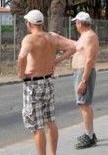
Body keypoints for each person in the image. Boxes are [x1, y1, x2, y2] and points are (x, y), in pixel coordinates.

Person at [17, 9, 76, 155]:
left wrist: (21, 74)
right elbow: (73, 47)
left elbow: (21, 57)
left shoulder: (29, 39)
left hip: (33, 83)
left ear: (29, 24)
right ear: (42, 23)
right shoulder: (52, 37)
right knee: (51, 120)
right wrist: (56, 61)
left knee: (38, 126)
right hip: (48, 82)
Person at [56, 11, 99, 149]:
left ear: (80, 23)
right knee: (84, 104)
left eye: (76, 22)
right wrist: (56, 61)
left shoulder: (90, 37)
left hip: (83, 73)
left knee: (84, 104)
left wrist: (84, 80)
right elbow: (72, 50)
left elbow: (90, 60)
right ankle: (90, 133)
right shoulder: (83, 36)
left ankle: (89, 136)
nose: (75, 24)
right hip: (78, 72)